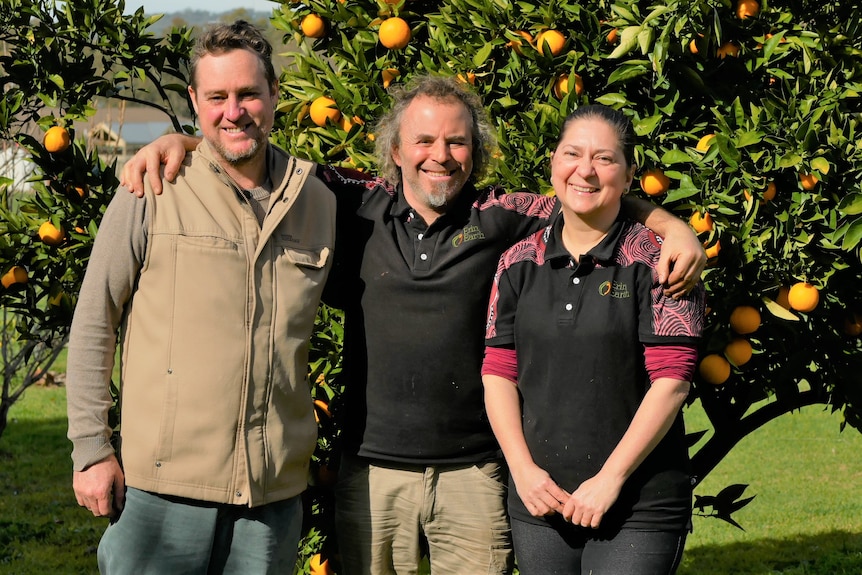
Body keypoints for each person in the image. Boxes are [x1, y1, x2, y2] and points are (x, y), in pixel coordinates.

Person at [121, 76, 705, 574]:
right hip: (370, 469)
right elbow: (258, 162)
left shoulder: (502, 215)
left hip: (473, 472)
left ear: (474, 152)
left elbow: (588, 191)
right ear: (395, 150)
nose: (440, 155)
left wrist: (674, 229)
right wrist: (185, 142)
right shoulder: (351, 200)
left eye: (456, 141)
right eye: (423, 140)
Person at [66, 20, 336, 574]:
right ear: (194, 100)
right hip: (161, 492)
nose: (233, 111)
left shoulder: (319, 202)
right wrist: (91, 448)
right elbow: (96, 318)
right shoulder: (152, 187)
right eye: (217, 97)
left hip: (270, 498)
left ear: (275, 95)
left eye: (248, 95)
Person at [482, 104, 704, 574]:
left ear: (628, 177)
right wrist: (523, 472)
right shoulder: (517, 263)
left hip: (637, 505)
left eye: (604, 158)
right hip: (541, 501)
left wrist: (610, 479)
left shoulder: (660, 261)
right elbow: (499, 372)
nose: (585, 170)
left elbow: (674, 381)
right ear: (553, 163)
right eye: (572, 154)